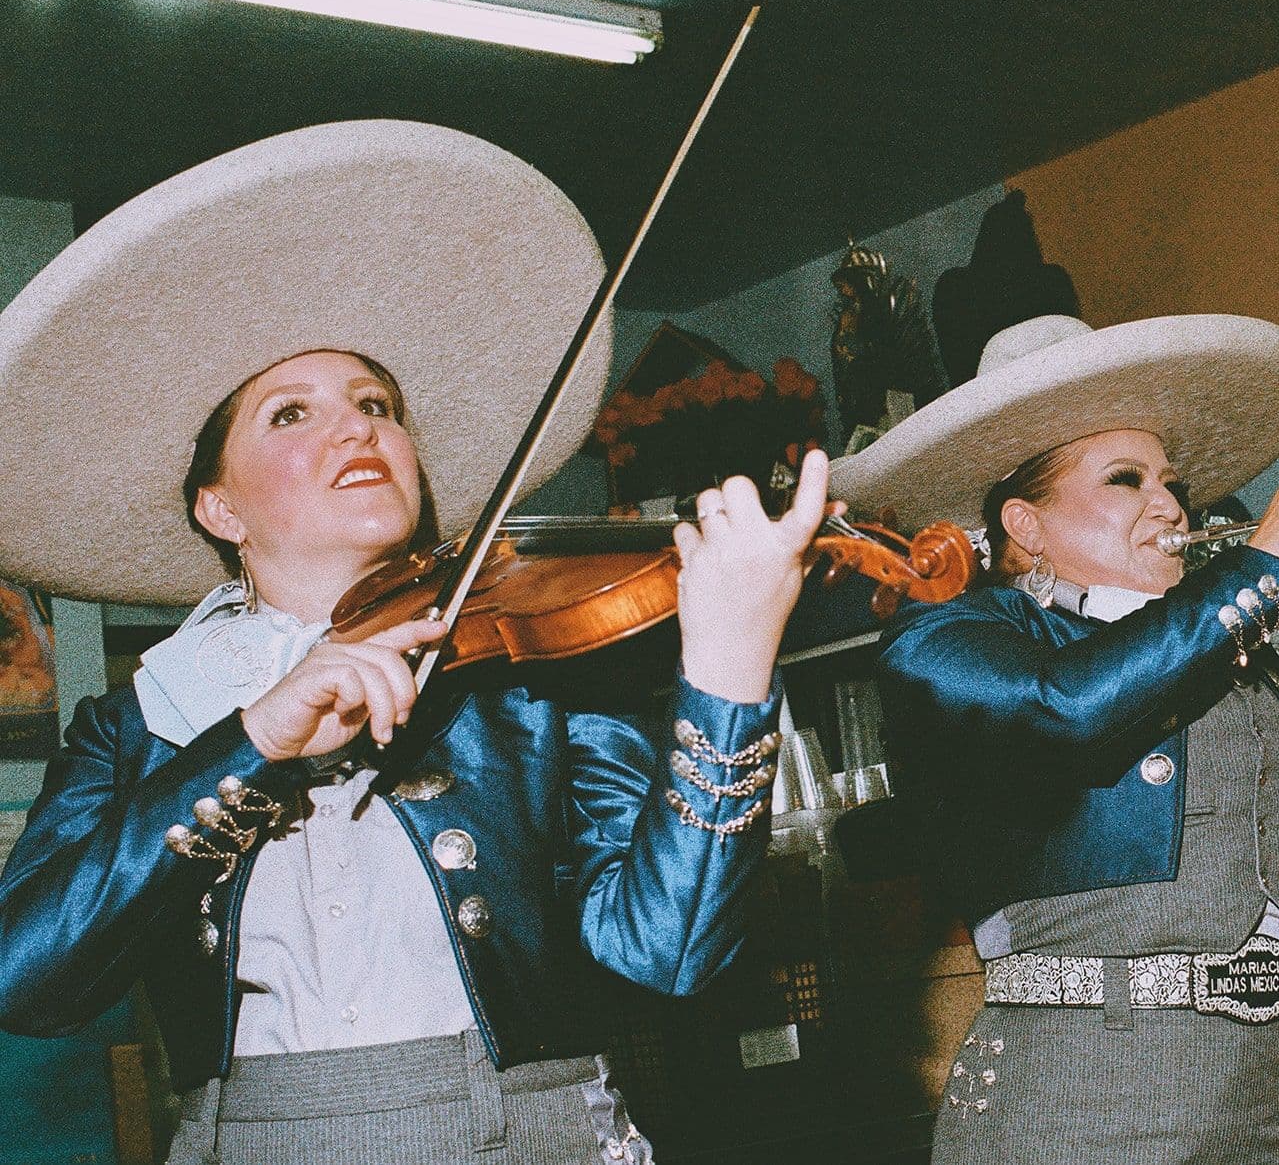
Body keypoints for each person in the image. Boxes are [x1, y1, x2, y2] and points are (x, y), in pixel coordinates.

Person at [0, 121, 829, 1164]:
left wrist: (727, 672)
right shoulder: (139, 721)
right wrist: (253, 741)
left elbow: (667, 958)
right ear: (219, 506)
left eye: (377, 404)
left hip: (527, 1132)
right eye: (291, 413)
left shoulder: (534, 671)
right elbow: (24, 980)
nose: (357, 428)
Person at [828, 313, 1279, 1164]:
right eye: (1127, 479)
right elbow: (1068, 709)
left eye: (1172, 483)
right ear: (1025, 523)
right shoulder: (944, 640)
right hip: (1082, 1104)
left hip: (1278, 1094)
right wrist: (1265, 565)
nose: (1169, 505)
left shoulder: (1235, 653)